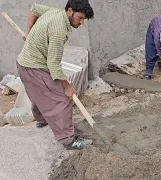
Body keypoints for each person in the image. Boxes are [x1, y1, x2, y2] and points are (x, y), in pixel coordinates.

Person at [16, 0, 94, 150]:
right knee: (61, 100)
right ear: (70, 11)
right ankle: (68, 140)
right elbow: (54, 65)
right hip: (35, 67)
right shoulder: (59, 30)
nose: (82, 22)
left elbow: (34, 8)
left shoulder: (54, 12)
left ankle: (42, 119)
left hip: (23, 64)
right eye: (80, 18)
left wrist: (28, 31)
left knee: (39, 93)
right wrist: (68, 87)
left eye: (84, 19)